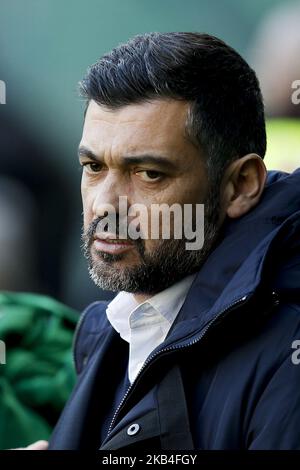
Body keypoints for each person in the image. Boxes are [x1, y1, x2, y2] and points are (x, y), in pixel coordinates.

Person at [43, 32, 299, 449]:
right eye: (93, 167)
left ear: (240, 185)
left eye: (148, 173)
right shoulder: (109, 330)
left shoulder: (287, 352)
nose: (106, 205)